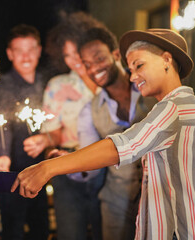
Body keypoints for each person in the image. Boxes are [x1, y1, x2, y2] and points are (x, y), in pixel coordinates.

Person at [12, 28, 195, 240]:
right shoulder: (191, 106)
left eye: (139, 65)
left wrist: (47, 168)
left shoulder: (171, 108)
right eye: (132, 69)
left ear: (167, 59)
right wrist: (67, 159)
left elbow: (122, 145)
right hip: (130, 204)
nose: (133, 77)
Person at [22, 11, 105, 240]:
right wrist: (45, 140)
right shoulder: (57, 86)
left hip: (107, 168)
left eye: (77, 51)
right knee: (70, 232)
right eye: (67, 55)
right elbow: (54, 135)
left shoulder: (108, 80)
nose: (74, 59)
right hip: (66, 166)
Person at [76, 26, 156, 240]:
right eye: (87, 64)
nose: (94, 68)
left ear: (115, 55)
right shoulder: (89, 110)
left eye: (99, 58)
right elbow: (90, 165)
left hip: (158, 197)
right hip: (115, 202)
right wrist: (67, 162)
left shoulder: (152, 88)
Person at [0, 24, 49, 240]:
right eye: (19, 50)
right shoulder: (5, 85)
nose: (26, 56)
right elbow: (0, 123)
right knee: (13, 230)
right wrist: (2, 155)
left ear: (39, 51)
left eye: (31, 49)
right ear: (9, 54)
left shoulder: (47, 83)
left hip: (44, 169)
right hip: (14, 172)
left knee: (40, 227)